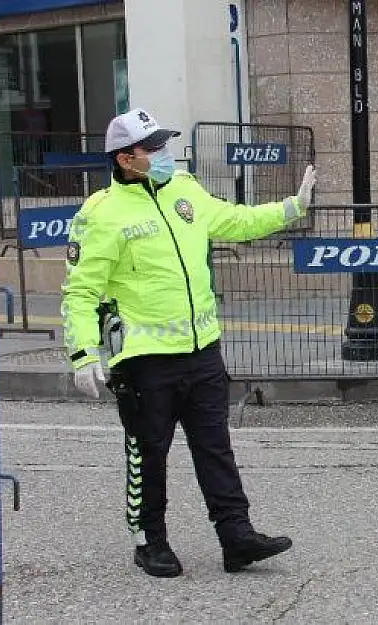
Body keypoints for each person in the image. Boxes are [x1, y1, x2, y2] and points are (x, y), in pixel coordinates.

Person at [61, 108, 316, 578]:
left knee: (215, 447)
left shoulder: (185, 191)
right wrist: (82, 352)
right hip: (145, 362)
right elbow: (80, 291)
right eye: (152, 147)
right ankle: (149, 540)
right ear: (124, 158)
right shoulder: (101, 214)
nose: (163, 154)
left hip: (202, 351)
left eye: (163, 144)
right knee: (148, 454)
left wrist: (292, 207)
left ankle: (236, 537)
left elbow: (235, 221)